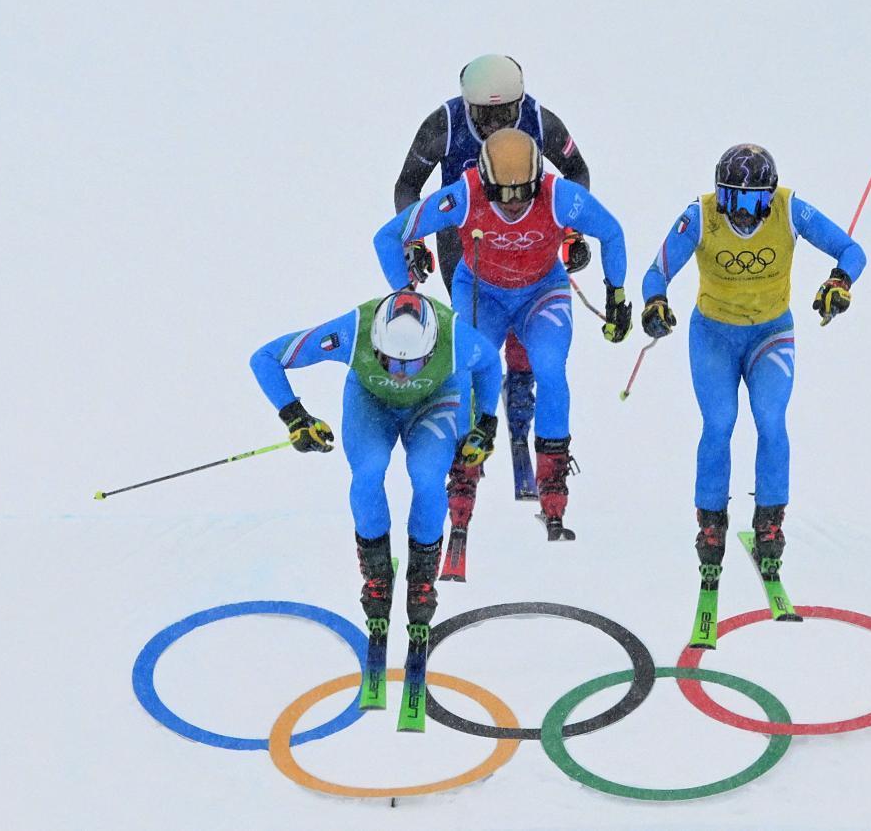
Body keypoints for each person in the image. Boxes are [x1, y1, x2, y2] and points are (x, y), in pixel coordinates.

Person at [375, 127, 631, 543]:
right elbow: (388, 235)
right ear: (484, 180)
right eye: (502, 195)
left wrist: (617, 294)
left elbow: (612, 231)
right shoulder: (463, 193)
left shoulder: (559, 194)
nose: (513, 205)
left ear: (538, 179)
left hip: (541, 294)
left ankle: (553, 488)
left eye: (523, 194)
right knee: (467, 376)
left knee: (550, 369)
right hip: (483, 293)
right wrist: (405, 292)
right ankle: (461, 478)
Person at [639, 143, 866, 589]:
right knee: (720, 422)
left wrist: (839, 281)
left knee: (770, 419)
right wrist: (655, 301)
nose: (745, 212)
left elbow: (852, 251)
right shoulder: (701, 215)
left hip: (770, 333)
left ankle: (770, 520)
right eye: (735, 200)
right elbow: (656, 272)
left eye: (756, 200)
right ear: (719, 195)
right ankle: (710, 522)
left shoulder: (789, 209)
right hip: (714, 336)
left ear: (771, 194)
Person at [249, 289, 501, 655]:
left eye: (413, 365)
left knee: (428, 476)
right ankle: (376, 576)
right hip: (370, 403)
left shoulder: (456, 334)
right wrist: (295, 417)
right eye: (388, 361)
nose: (400, 374)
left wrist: (487, 422)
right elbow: (265, 357)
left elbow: (491, 363)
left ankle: (422, 581)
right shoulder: (353, 329)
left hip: (434, 402)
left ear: (431, 347)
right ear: (375, 342)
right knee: (368, 471)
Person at [393, 54, 593, 502]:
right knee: (480, 334)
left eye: (507, 113)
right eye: (485, 115)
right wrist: (414, 243)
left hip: (529, 231)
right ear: (468, 105)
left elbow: (576, 172)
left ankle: (520, 396)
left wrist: (571, 231)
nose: (497, 123)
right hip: (466, 237)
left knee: (530, 329)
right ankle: (473, 441)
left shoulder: (541, 120)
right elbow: (408, 185)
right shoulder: (442, 124)